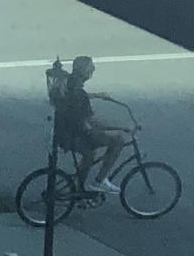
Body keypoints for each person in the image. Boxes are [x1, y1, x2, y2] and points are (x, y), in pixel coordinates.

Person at [52, 55, 135, 197]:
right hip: (75, 135)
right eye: (91, 67)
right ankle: (100, 181)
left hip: (62, 132)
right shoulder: (79, 95)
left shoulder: (71, 82)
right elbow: (93, 121)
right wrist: (120, 127)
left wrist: (96, 95)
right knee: (118, 140)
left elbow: (78, 95)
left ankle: (79, 188)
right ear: (83, 70)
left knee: (89, 154)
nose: (94, 69)